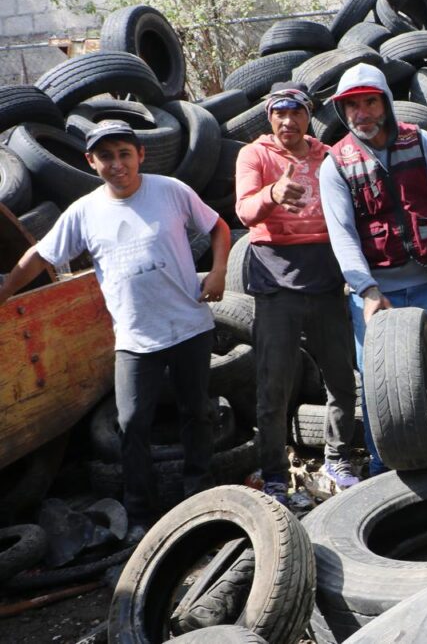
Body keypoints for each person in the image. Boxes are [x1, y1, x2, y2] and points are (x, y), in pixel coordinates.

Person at [0, 119, 231, 538]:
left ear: (140, 154)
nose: (116, 163)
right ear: (91, 161)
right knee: (131, 423)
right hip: (135, 339)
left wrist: (218, 272)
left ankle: (201, 494)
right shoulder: (85, 212)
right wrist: (5, 290)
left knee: (195, 413)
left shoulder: (171, 191)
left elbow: (218, 227)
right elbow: (40, 254)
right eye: (105, 156)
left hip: (189, 327)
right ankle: (141, 515)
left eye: (124, 153)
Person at [319, 63, 427, 476]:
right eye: (352, 105)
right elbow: (342, 235)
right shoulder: (335, 164)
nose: (361, 113)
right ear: (342, 111)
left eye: (370, 102)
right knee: (377, 382)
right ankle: (380, 463)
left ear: (385, 103)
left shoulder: (420, 143)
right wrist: (366, 289)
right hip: (374, 294)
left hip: (426, 284)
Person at [235, 82, 359, 502]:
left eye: (296, 113)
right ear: (270, 116)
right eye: (279, 113)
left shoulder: (327, 156)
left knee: (342, 379)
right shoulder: (255, 154)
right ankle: (273, 473)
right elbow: (244, 210)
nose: (288, 121)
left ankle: (338, 459)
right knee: (274, 386)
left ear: (309, 116)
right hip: (274, 282)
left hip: (325, 280)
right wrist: (272, 193)